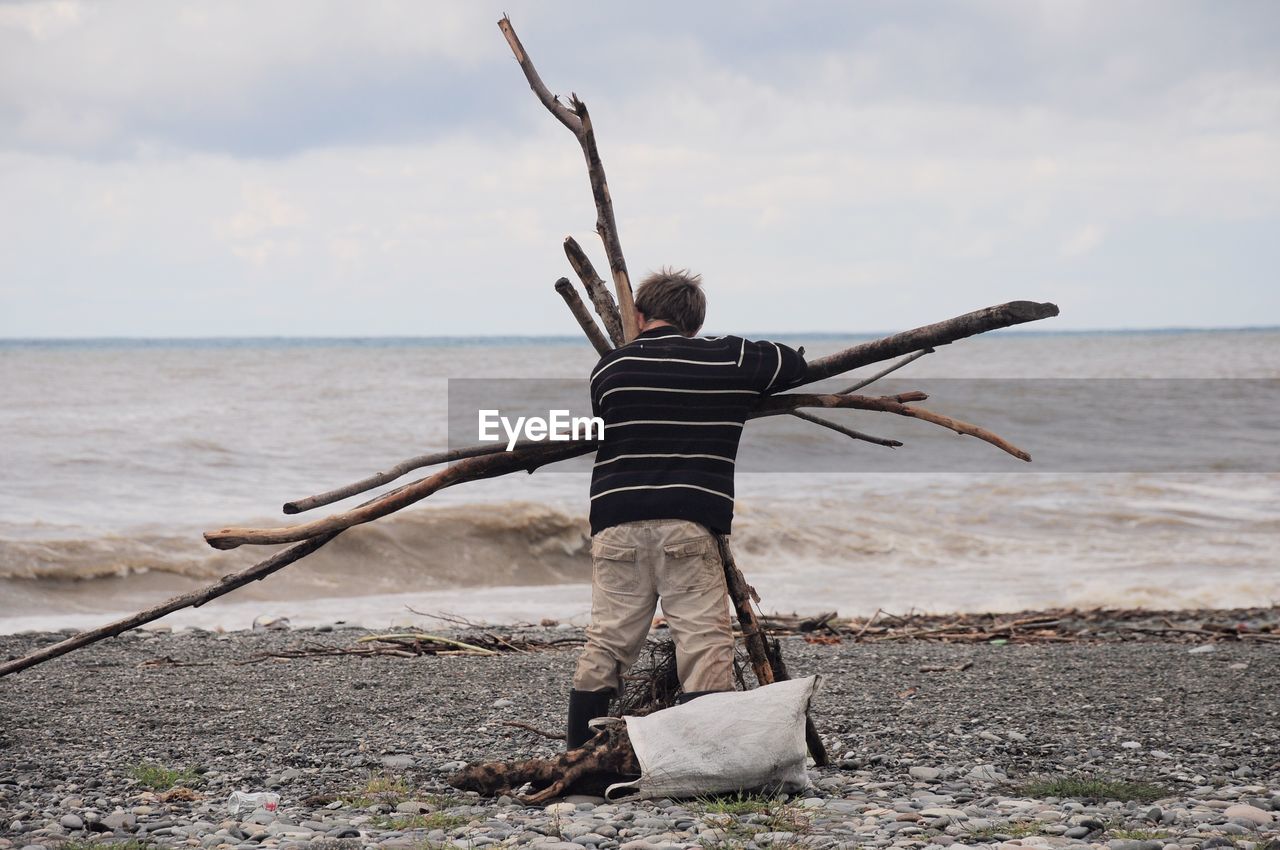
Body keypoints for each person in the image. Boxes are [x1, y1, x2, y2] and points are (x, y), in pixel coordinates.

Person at [566, 268, 807, 748]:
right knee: (702, 643)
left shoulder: (610, 368)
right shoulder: (729, 358)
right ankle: (702, 758)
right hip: (687, 523)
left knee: (608, 643)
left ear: (638, 315)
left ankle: (577, 755)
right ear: (696, 322)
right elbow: (792, 364)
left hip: (616, 521)